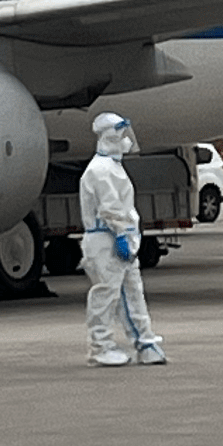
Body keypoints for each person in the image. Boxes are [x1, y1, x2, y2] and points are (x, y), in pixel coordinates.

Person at [76, 111, 167, 366]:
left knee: (132, 292)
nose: (127, 140)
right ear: (111, 137)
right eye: (122, 135)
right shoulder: (101, 170)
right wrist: (121, 233)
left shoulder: (112, 167)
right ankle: (100, 346)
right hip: (106, 239)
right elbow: (110, 208)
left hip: (119, 237)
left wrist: (127, 235)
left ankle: (145, 342)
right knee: (107, 295)